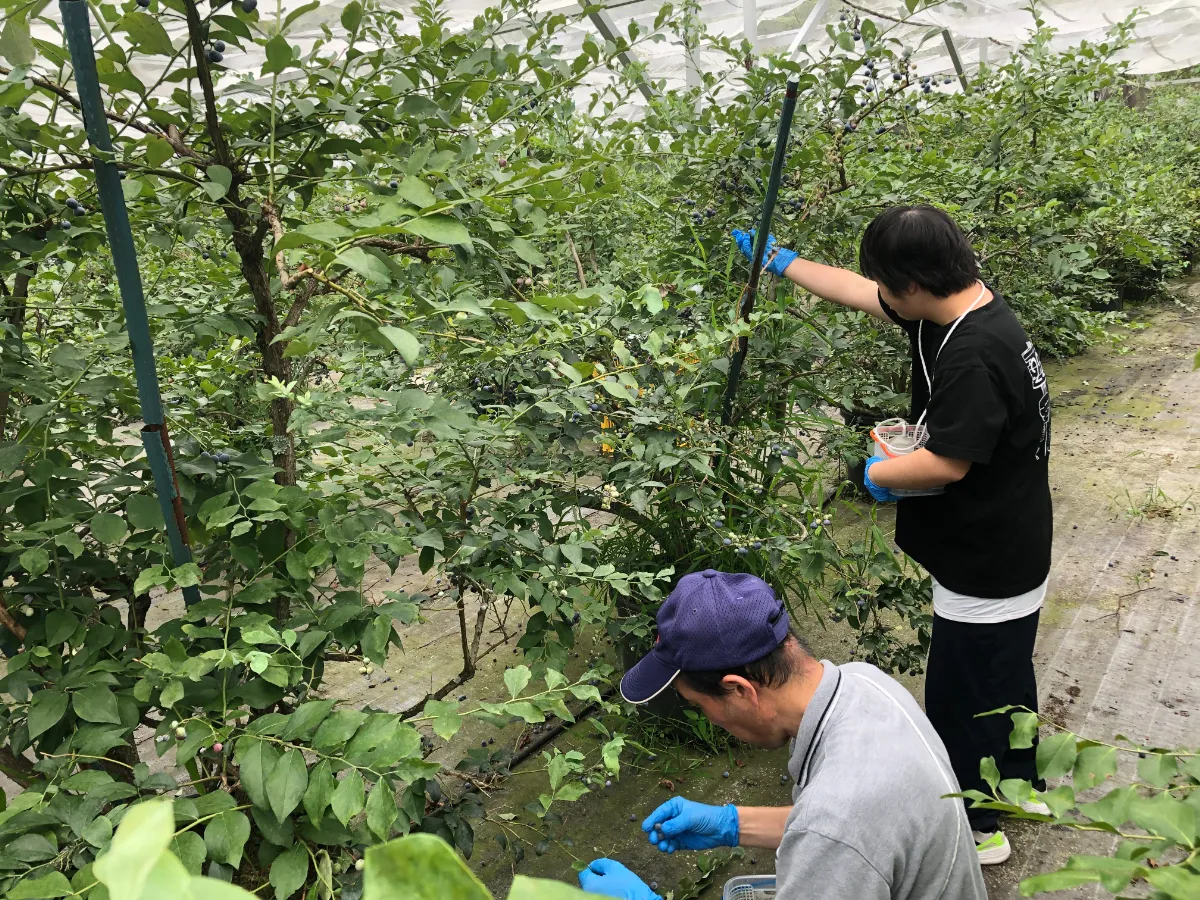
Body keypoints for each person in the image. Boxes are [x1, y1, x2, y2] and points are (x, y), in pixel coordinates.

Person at [728, 206, 1053, 864]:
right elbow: (856, 288)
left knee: (962, 694)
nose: (882, 293)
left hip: (984, 558)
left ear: (913, 282)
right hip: (1015, 538)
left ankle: (976, 825)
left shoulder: (971, 356)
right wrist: (781, 261)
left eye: (889, 282)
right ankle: (1017, 784)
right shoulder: (966, 306)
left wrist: (875, 473)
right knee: (1005, 674)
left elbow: (946, 462)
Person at [578, 570, 987, 900]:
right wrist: (730, 824)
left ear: (740, 689)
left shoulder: (838, 820)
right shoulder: (865, 683)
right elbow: (851, 830)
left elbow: (835, 831)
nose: (709, 719)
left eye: (700, 705)